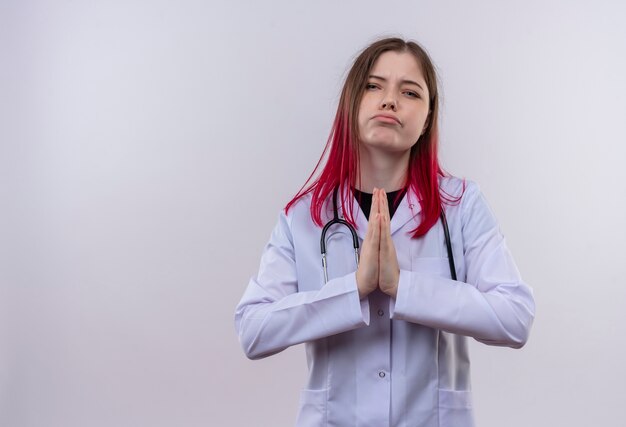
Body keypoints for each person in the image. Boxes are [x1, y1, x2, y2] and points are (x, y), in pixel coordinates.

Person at [234, 37, 535, 427]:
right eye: (374, 86)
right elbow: (253, 331)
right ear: (351, 104)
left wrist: (403, 287)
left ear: (427, 118)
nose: (389, 100)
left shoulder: (461, 205)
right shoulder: (304, 216)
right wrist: (353, 290)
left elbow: (515, 317)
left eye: (410, 92)